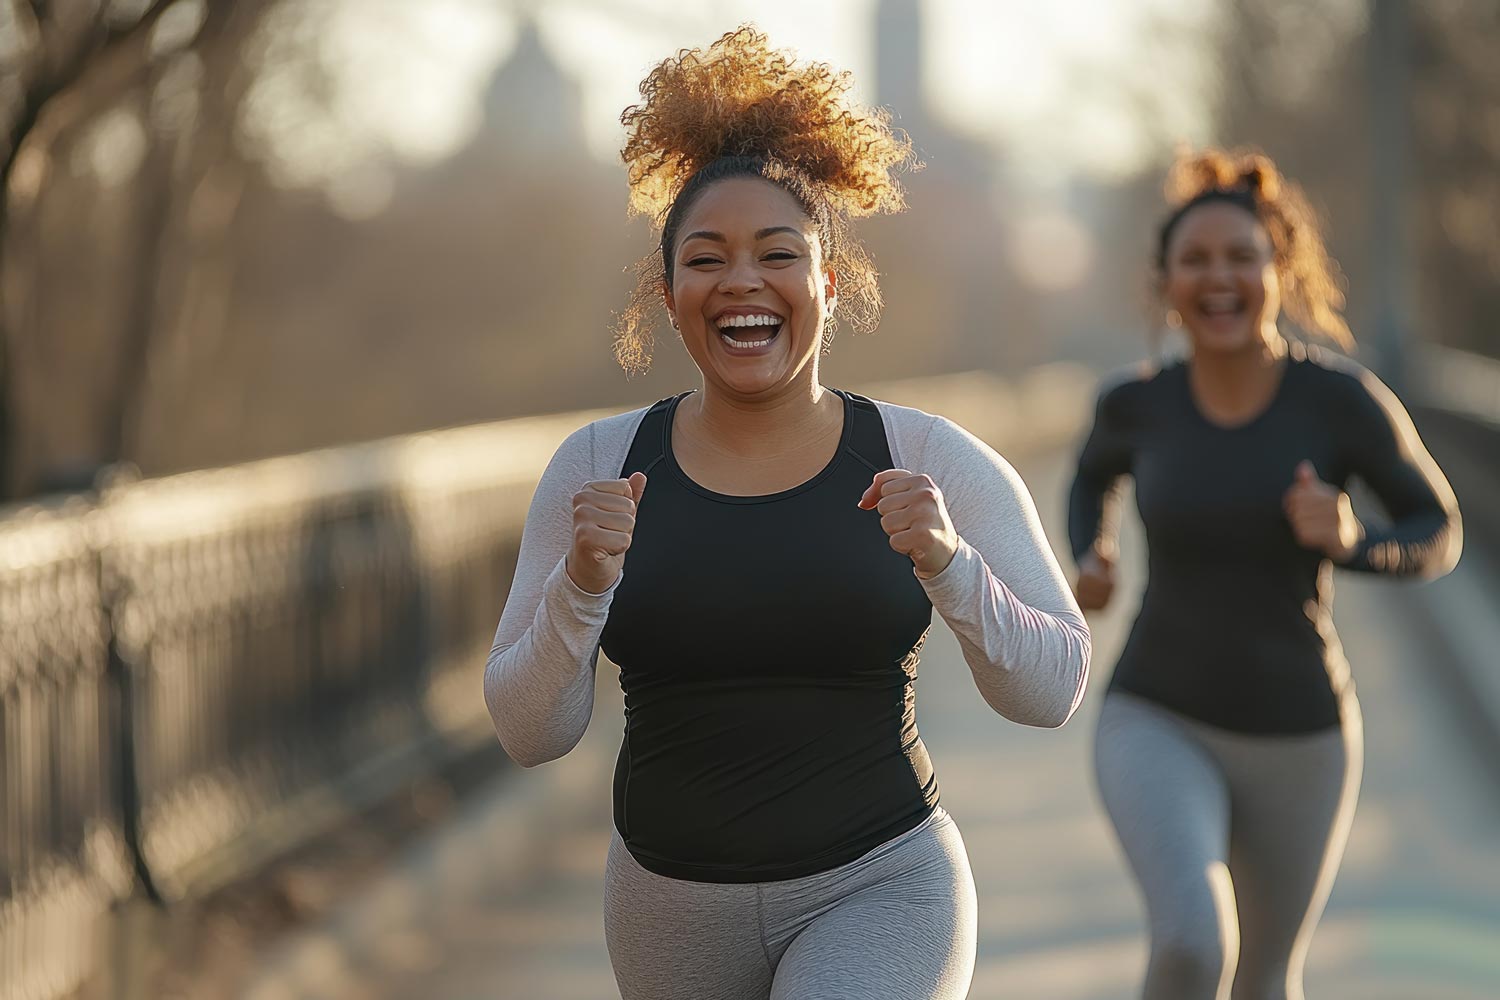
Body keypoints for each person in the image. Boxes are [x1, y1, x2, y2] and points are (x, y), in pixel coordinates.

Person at [485, 27, 1091, 1000]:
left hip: (883, 885)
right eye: (707, 259)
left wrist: (949, 564)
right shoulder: (597, 466)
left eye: (778, 254)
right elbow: (527, 730)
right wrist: (581, 587)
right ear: (670, 295)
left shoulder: (924, 456)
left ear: (829, 285)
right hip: (666, 910)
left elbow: (1054, 683)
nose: (743, 282)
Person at [1068, 147, 1462, 1000]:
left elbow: (1439, 528)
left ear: (1279, 269)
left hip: (1303, 736)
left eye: (1241, 257)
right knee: (1191, 942)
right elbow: (1091, 474)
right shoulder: (1136, 404)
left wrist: (1352, 540)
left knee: (1266, 979)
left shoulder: (1339, 401)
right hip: (1155, 717)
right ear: (1165, 282)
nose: (1219, 278)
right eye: (1196, 260)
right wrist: (1088, 555)